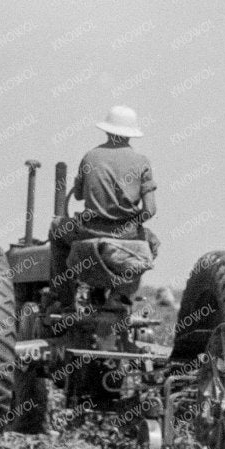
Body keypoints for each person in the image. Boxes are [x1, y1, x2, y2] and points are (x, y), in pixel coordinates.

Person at [53, 105, 158, 304]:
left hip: (90, 230)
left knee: (56, 229)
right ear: (131, 134)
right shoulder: (142, 161)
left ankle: (66, 301)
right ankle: (121, 294)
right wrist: (131, 223)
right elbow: (150, 210)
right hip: (127, 233)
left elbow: (78, 196)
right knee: (152, 243)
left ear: (107, 130)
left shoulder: (90, 156)